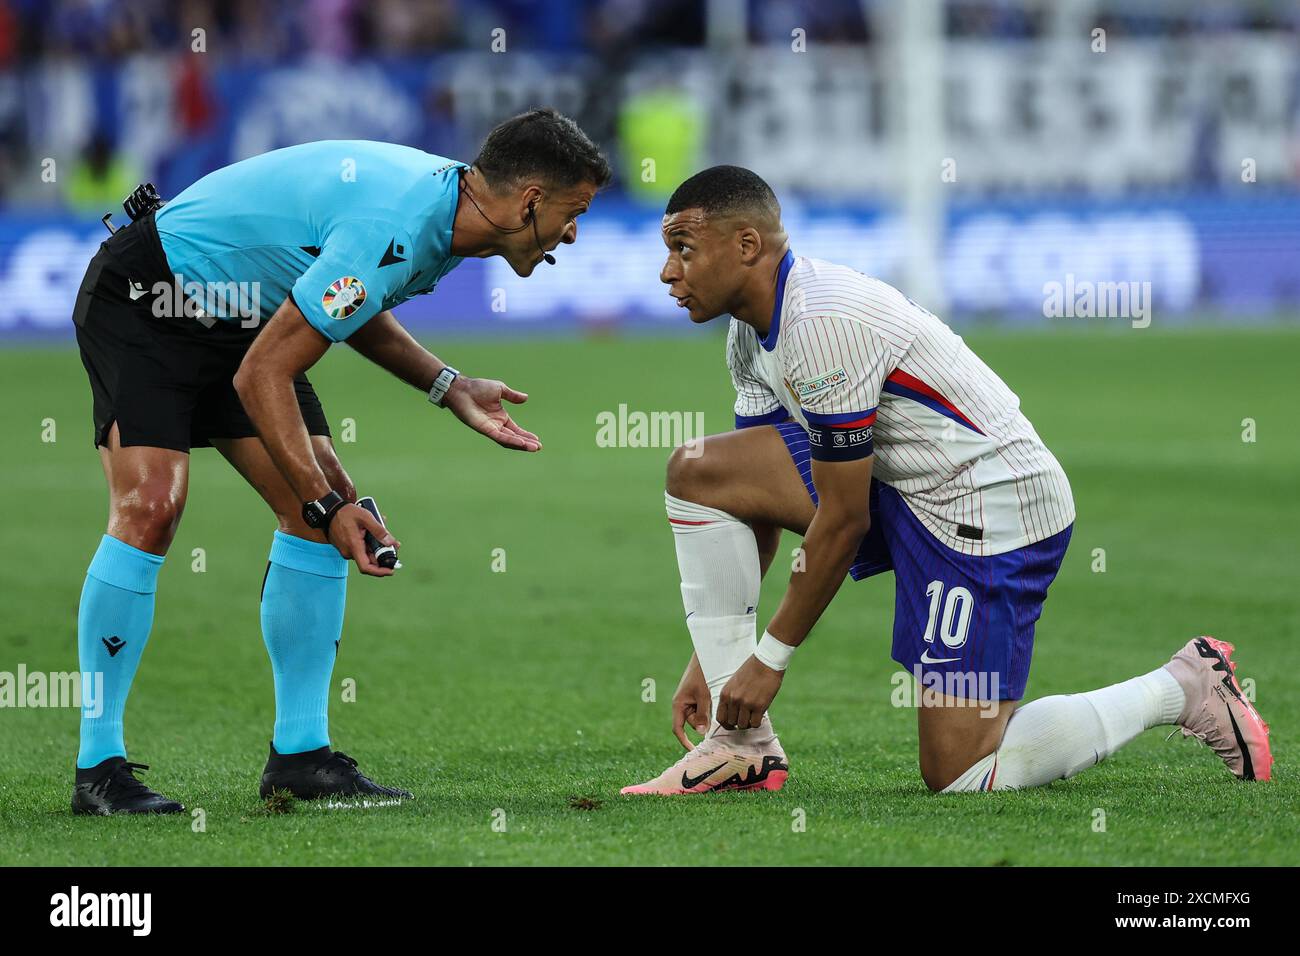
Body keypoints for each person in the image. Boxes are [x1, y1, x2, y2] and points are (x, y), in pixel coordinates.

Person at [621, 165, 1271, 795]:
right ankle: (740, 750)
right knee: (704, 471)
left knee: (960, 774)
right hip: (907, 486)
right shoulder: (747, 334)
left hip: (988, 505)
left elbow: (843, 522)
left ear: (747, 245)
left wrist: (770, 660)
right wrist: (714, 665)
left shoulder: (820, 326)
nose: (668, 271)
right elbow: (752, 499)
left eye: (683, 247)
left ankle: (1183, 686)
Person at [70, 108, 611, 814]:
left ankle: (301, 756)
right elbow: (263, 374)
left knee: (320, 500)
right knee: (153, 506)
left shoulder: (449, 219)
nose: (573, 234)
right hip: (150, 295)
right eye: (572, 213)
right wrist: (328, 508)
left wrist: (448, 387)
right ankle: (98, 768)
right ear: (531, 199)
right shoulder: (402, 217)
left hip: (243, 312)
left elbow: (349, 297)